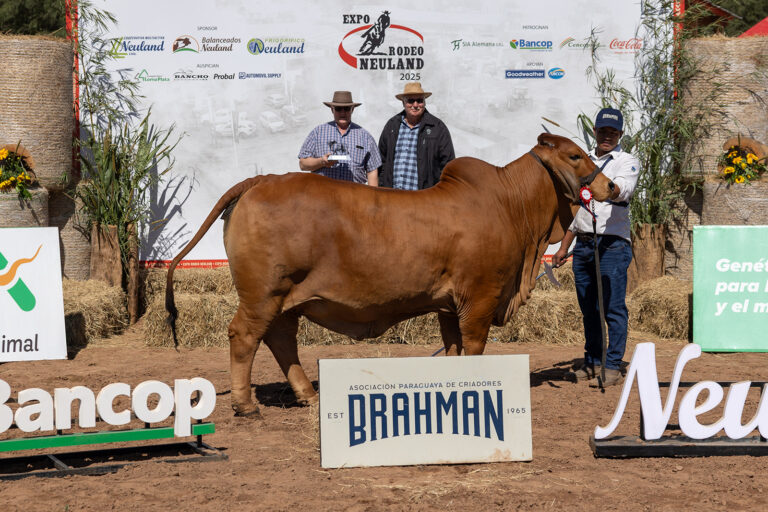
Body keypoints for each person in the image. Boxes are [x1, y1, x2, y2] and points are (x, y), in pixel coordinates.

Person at [551, 107, 640, 388]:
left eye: (612, 132)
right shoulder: (583, 160)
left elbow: (623, 190)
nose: (607, 136)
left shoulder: (627, 161)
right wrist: (563, 247)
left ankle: (612, 365)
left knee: (613, 308)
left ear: (620, 134)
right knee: (589, 309)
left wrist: (604, 188)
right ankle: (593, 362)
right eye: (602, 131)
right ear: (595, 131)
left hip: (613, 244)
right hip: (584, 244)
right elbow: (576, 212)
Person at [378, 82, 455, 190]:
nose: (415, 105)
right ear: (403, 103)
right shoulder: (392, 125)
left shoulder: (437, 127)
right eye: (410, 101)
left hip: (424, 196)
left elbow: (448, 165)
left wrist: (441, 192)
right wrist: (382, 187)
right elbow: (381, 160)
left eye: (419, 100)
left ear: (424, 102)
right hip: (393, 195)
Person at [298, 91, 380, 186]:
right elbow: (303, 164)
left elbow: (372, 171)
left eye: (346, 109)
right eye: (338, 109)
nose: (342, 112)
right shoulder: (318, 132)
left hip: (354, 194)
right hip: (323, 193)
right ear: (332, 109)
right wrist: (322, 161)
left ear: (352, 109)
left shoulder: (365, 137)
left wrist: (372, 195)